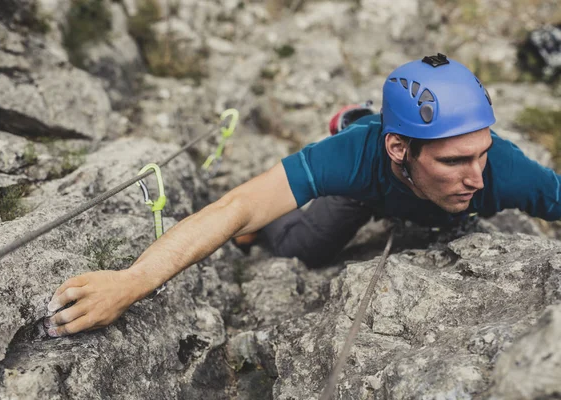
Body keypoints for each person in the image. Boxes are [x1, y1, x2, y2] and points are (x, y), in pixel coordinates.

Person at [44, 53, 561, 337]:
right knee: (300, 248)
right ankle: (354, 120)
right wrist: (134, 280)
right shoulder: (354, 159)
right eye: (454, 160)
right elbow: (236, 206)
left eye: (482, 152)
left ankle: (359, 113)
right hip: (370, 191)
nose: (476, 176)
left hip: (393, 171)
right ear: (399, 148)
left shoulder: (507, 173)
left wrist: (477, 165)